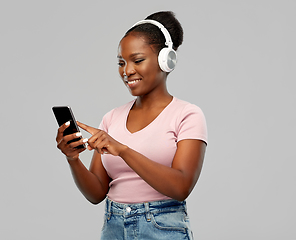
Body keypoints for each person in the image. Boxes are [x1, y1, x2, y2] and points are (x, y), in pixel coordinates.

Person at [56, 11, 207, 240]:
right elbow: (97, 193)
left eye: (137, 61)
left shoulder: (187, 115)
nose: (127, 71)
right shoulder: (111, 118)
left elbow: (181, 186)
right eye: (121, 63)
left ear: (165, 60)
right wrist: (72, 158)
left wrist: (123, 150)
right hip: (113, 227)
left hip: (162, 229)